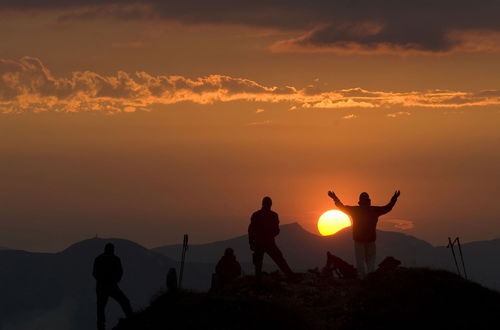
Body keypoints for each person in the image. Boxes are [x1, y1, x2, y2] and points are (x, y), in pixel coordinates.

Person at [327, 190, 400, 279]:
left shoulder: (355, 210)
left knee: (360, 260)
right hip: (371, 239)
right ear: (368, 200)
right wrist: (394, 198)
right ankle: (371, 277)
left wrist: (334, 198)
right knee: (370, 260)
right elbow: (388, 208)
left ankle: (362, 278)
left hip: (359, 239)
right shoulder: (374, 210)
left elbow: (341, 207)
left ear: (360, 201)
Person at [248, 196, 294, 280]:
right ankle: (289, 275)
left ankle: (258, 280)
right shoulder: (273, 215)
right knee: (278, 259)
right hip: (268, 242)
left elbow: (251, 230)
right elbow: (276, 230)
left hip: (261, 242)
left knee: (260, 263)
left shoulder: (257, 215)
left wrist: (251, 241)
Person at [93, 243, 133, 330]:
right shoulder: (115, 259)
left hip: (102, 287)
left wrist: (102, 280)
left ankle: (101, 327)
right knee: (124, 301)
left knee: (101, 307)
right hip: (111, 286)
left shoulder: (99, 259)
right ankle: (131, 318)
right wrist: (114, 280)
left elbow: (95, 273)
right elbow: (120, 272)